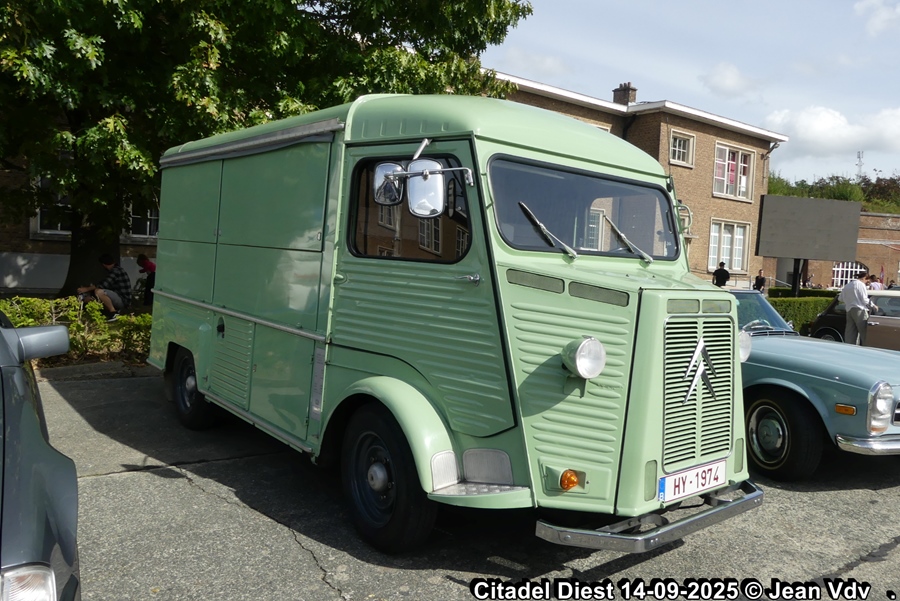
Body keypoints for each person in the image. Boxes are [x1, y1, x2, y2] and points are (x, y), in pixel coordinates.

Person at [77, 253, 132, 321]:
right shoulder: (117, 270)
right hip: (119, 298)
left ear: (104, 265)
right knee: (95, 297)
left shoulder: (116, 271)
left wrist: (86, 289)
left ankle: (113, 313)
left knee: (99, 292)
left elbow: (103, 285)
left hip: (123, 300)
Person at [838, 271, 876, 345]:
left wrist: (849, 300)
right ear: (864, 278)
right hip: (859, 310)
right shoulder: (861, 285)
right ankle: (866, 347)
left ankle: (849, 348)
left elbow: (840, 298)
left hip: (849, 310)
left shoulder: (848, 285)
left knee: (850, 332)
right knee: (864, 332)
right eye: (867, 280)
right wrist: (873, 305)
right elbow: (864, 299)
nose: (867, 282)